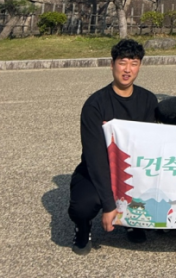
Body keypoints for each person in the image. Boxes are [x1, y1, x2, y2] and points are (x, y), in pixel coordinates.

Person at [68, 39, 159, 255]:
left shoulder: (148, 100)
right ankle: (83, 227)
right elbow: (95, 157)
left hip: (132, 169)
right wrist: (109, 206)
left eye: (134, 63)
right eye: (122, 62)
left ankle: (132, 221)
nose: (127, 69)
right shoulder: (95, 105)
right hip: (99, 169)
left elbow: (155, 141)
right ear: (112, 64)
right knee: (82, 206)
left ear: (140, 66)